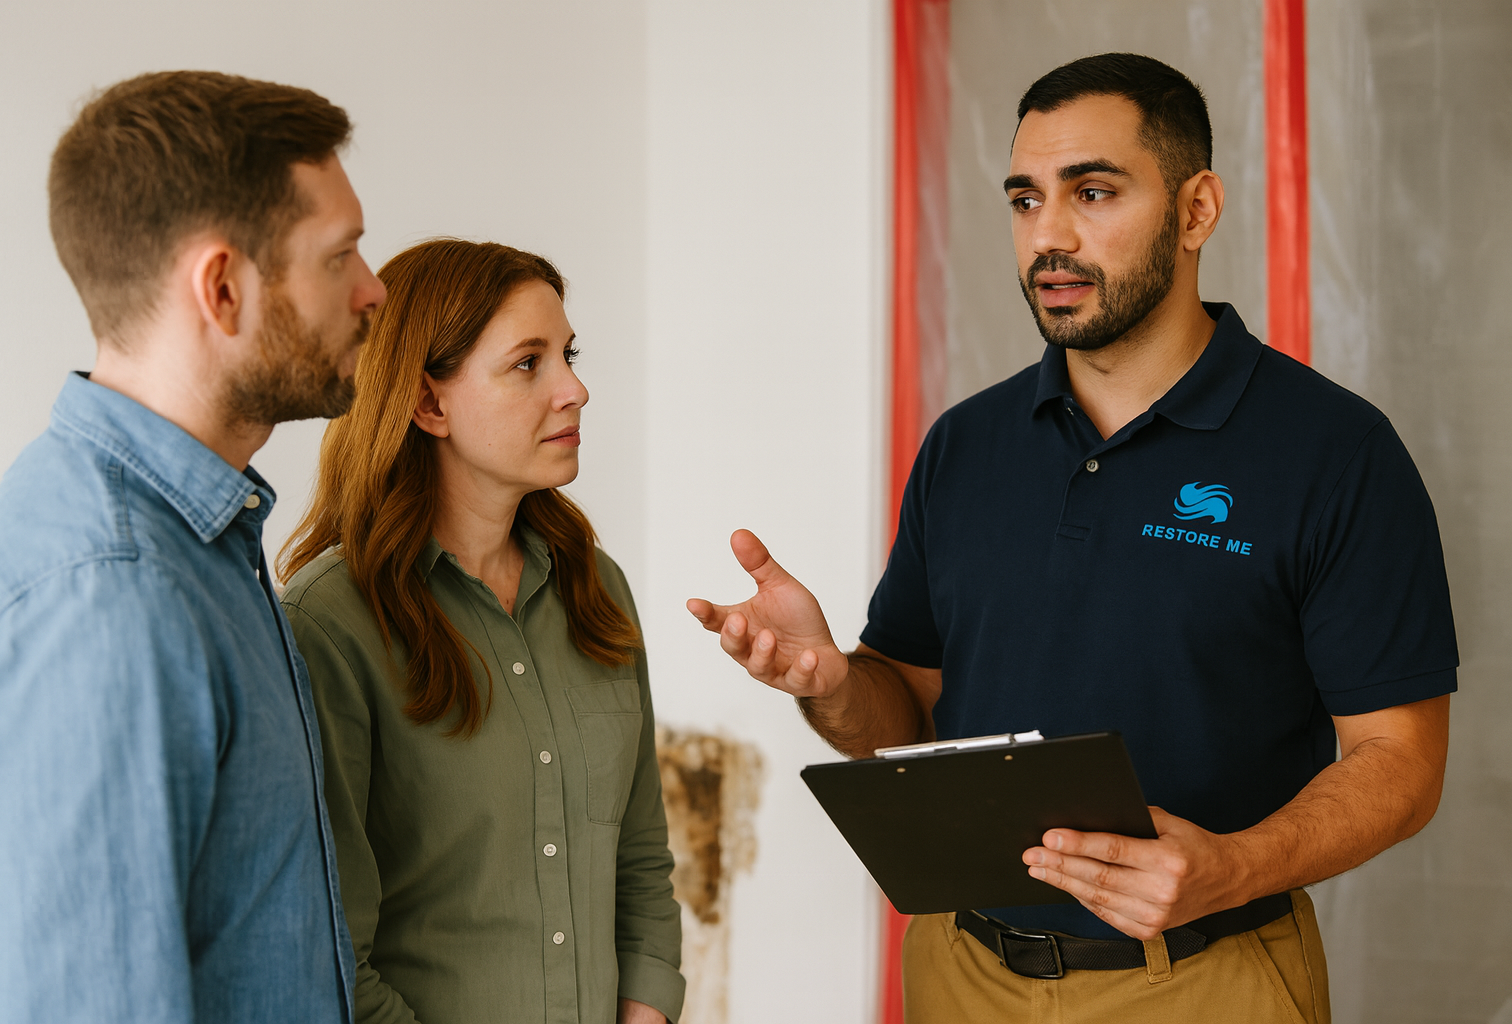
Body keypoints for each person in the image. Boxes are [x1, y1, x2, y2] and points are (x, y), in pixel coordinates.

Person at [687, 53, 1455, 1023]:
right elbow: (907, 718)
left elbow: (1402, 760)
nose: (1048, 235)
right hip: (961, 972)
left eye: (1092, 191)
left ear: (1197, 210)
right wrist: (835, 683)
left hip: (1204, 981)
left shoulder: (1336, 452)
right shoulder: (963, 446)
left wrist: (1230, 867)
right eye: (1024, 198)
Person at [0, 72, 386, 1021]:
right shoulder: (111, 594)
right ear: (223, 286)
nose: (374, 291)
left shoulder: (195, 542)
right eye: (342, 255)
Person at [277, 238, 685, 1024]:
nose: (577, 390)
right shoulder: (327, 624)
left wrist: (647, 1008)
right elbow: (329, 950)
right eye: (528, 363)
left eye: (567, 354)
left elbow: (639, 858)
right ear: (429, 404)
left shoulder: (598, 591)